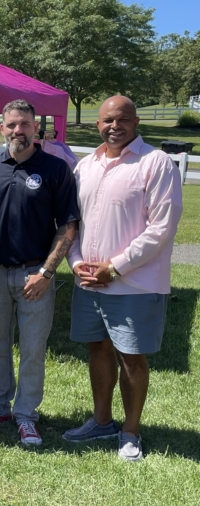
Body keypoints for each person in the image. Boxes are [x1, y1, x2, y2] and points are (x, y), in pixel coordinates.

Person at [62, 96, 183, 461]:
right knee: (97, 349)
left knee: (131, 357)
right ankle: (101, 421)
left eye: (123, 119)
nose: (115, 126)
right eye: (107, 120)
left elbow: (162, 227)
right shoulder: (85, 166)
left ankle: (130, 431)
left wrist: (115, 267)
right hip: (89, 282)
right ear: (97, 124)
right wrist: (76, 262)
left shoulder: (155, 163)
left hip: (134, 284)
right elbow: (73, 222)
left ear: (136, 122)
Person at [0, 99, 79, 445]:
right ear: (1, 128)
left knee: (32, 350)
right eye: (12, 124)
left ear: (36, 128)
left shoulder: (54, 168)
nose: (19, 130)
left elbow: (68, 226)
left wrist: (46, 273)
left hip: (36, 275)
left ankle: (27, 416)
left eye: (25, 124)